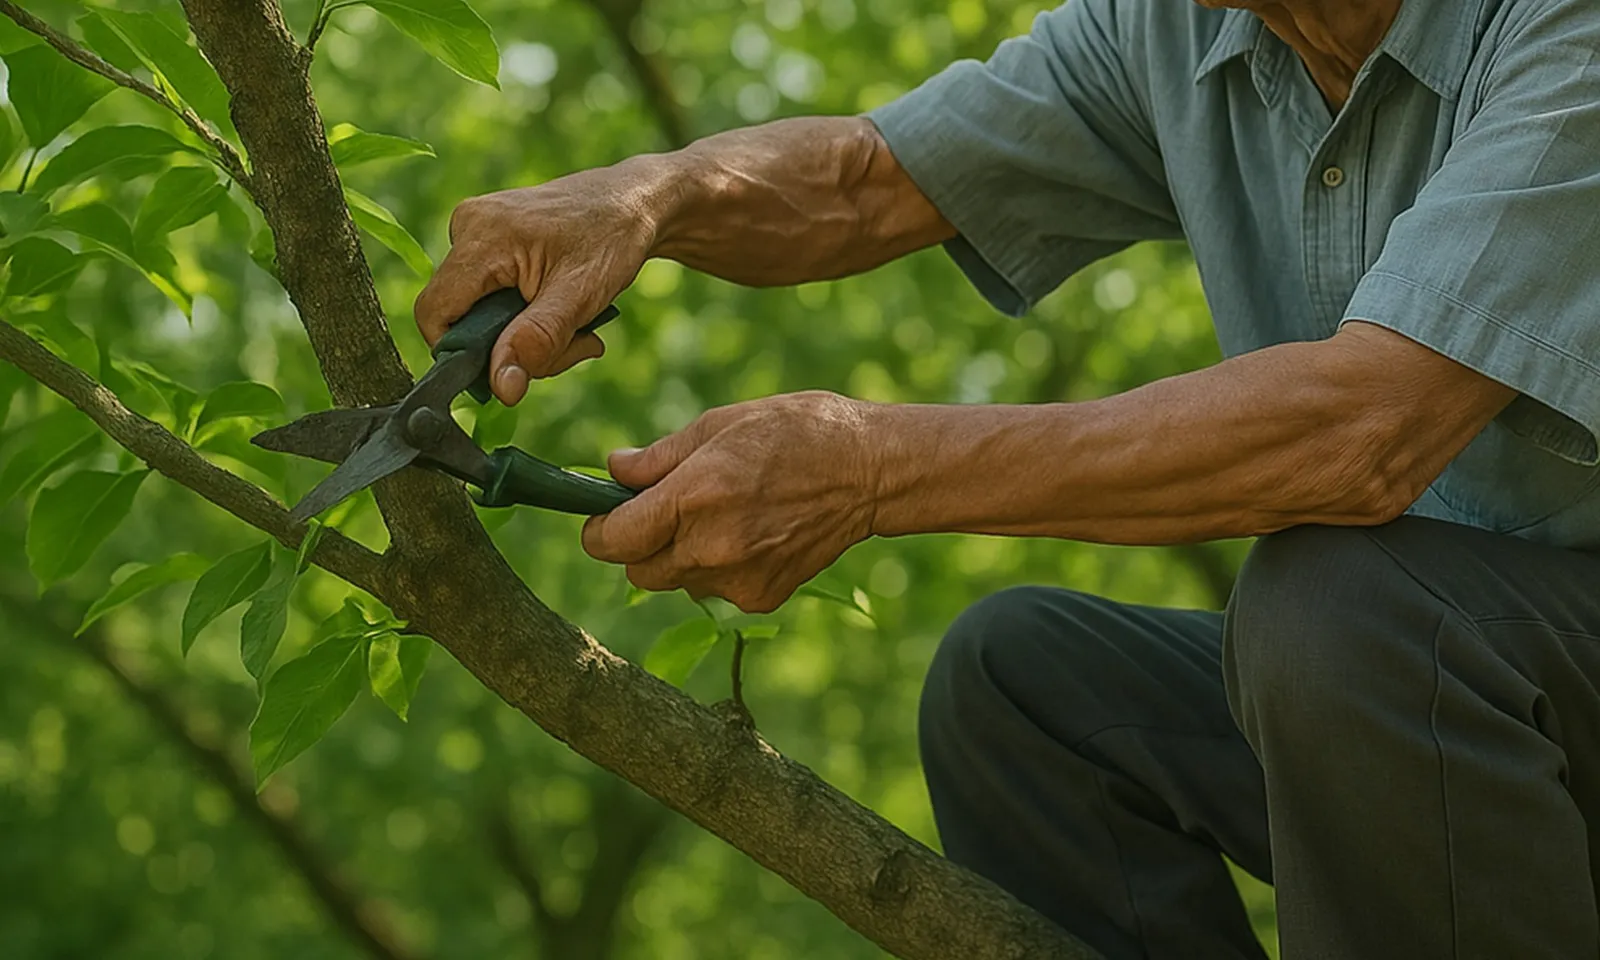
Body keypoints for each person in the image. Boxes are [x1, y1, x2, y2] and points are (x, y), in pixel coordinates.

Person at [414, 0, 1600, 955]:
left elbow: (1365, 434)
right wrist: (652, 194)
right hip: (1423, 699)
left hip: (1501, 670)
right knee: (1021, 689)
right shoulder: (1183, 31)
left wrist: (871, 466)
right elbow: (867, 179)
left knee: (1343, 610)